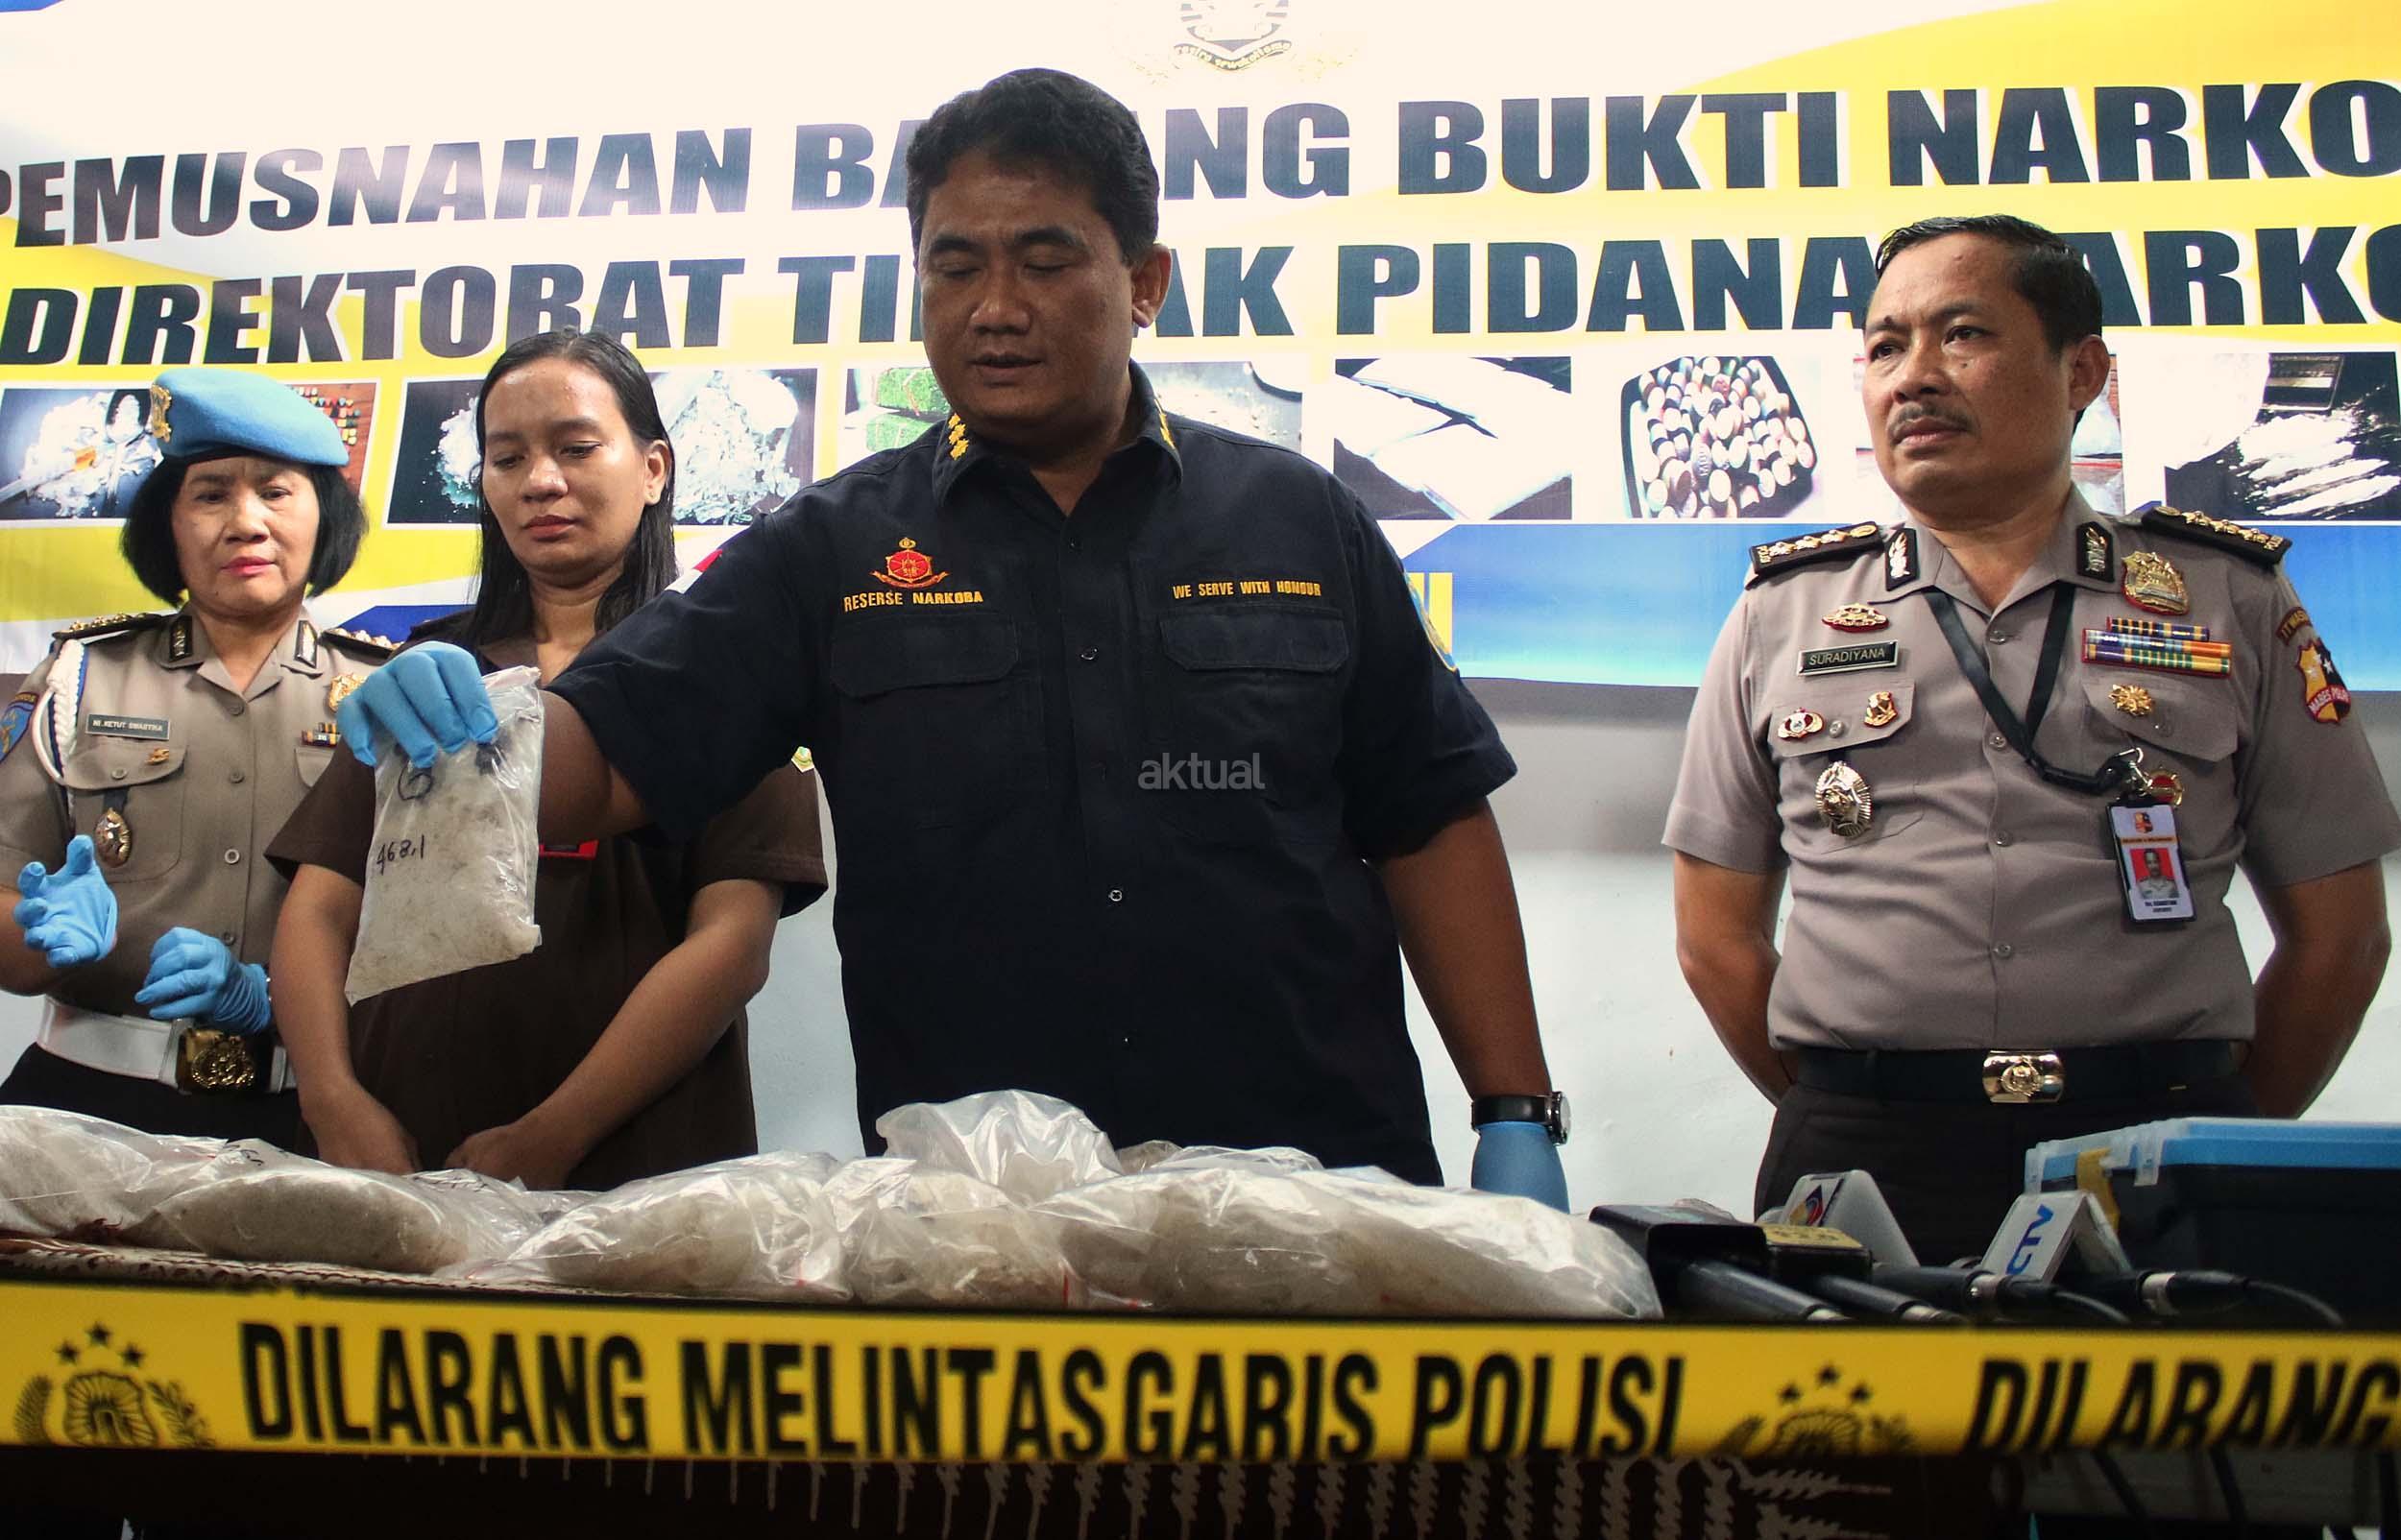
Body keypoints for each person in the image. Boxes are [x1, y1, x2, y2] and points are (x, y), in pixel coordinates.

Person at [331, 68, 1569, 1203]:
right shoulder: (833, 546)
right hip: (980, 1215)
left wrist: (1513, 1109)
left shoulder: (1298, 517)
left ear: (1144, 281)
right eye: (955, 266)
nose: (994, 309)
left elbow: (1429, 814)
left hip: (1311, 1181)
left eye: (1044, 260)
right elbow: (610, 758)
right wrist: (480, 725)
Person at [1666, 213, 2400, 1264]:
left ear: (2081, 372)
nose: (1913, 377)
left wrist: (2216, 1132)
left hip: (2154, 1141)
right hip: (1868, 1153)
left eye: (1962, 334)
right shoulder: (1783, 611)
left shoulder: (2227, 596)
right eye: (1885, 346)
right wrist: (1851, 1098)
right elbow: (1715, 940)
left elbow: (2341, 936)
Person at [266, 329, 826, 1190]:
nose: (540, 481)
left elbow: (731, 942)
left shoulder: (730, 674)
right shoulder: (428, 672)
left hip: (636, 1161)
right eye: (507, 458)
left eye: (576, 448)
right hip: (397, 1146)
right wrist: (332, 1099)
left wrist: (556, 1132)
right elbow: (320, 907)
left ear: (654, 469)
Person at [0, 369, 386, 1144]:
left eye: (275, 492)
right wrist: (37, 938)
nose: (246, 523)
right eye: (211, 495)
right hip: (83, 1106)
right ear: (166, 525)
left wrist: (274, 999)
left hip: (313, 1112)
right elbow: (6, 913)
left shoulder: (382, 694)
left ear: (325, 516)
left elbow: (433, 934)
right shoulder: (81, 678)